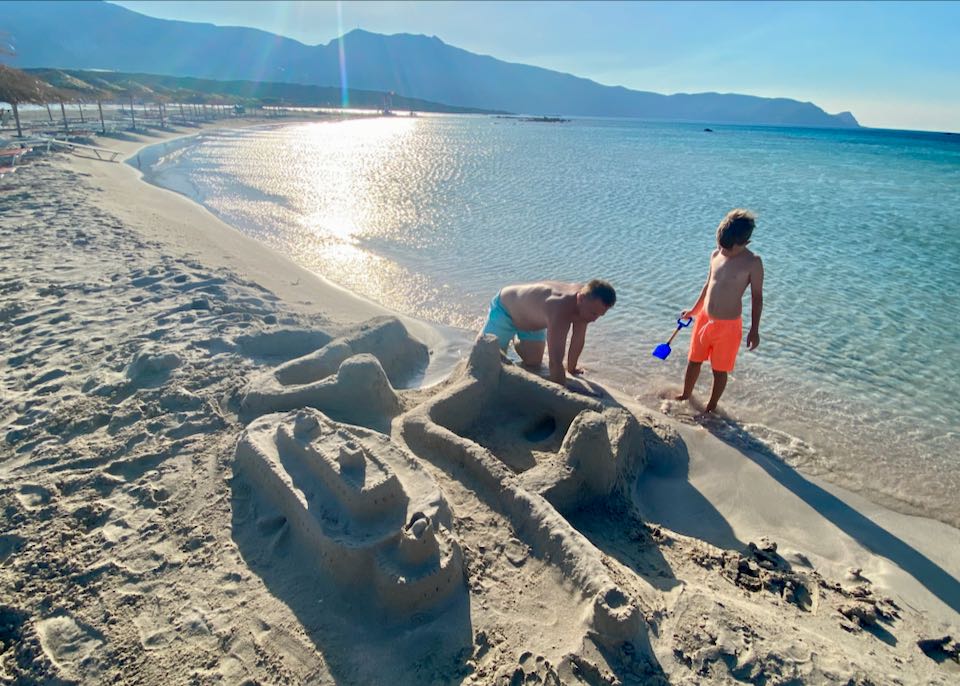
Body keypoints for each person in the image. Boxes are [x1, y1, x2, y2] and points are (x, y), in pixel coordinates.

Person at [675, 208, 764, 413]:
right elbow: (708, 286)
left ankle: (711, 406)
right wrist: (694, 311)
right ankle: (686, 394)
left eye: (728, 248)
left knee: (719, 370)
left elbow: (757, 298)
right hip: (704, 319)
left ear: (745, 243)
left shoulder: (753, 263)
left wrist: (754, 330)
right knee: (693, 361)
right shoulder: (716, 254)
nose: (723, 251)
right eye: (720, 246)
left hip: (728, 326)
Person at [480, 280, 616, 387]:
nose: (594, 319)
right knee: (486, 360)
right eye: (593, 313)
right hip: (506, 311)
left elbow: (578, 339)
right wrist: (562, 394)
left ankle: (514, 340)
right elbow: (555, 362)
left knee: (533, 362)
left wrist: (572, 368)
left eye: (600, 315)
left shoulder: (588, 302)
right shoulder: (560, 307)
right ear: (580, 299)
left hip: (533, 322)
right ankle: (502, 336)